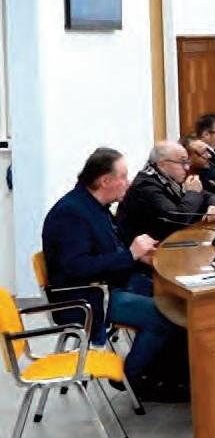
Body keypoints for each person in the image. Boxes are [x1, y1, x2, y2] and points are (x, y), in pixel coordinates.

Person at [41, 148, 184, 400]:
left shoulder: (96, 206)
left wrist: (140, 256)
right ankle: (134, 378)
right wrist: (130, 255)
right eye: (123, 176)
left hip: (110, 285)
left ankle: (172, 374)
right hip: (86, 298)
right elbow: (77, 267)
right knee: (163, 315)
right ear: (105, 180)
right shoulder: (70, 213)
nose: (128, 182)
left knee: (175, 299)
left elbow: (111, 248)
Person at [116, 141, 215, 244]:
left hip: (170, 242)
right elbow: (176, 219)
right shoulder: (146, 186)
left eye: (187, 162)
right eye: (182, 162)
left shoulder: (168, 178)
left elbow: (206, 195)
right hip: (146, 252)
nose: (187, 167)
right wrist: (193, 193)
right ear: (163, 164)